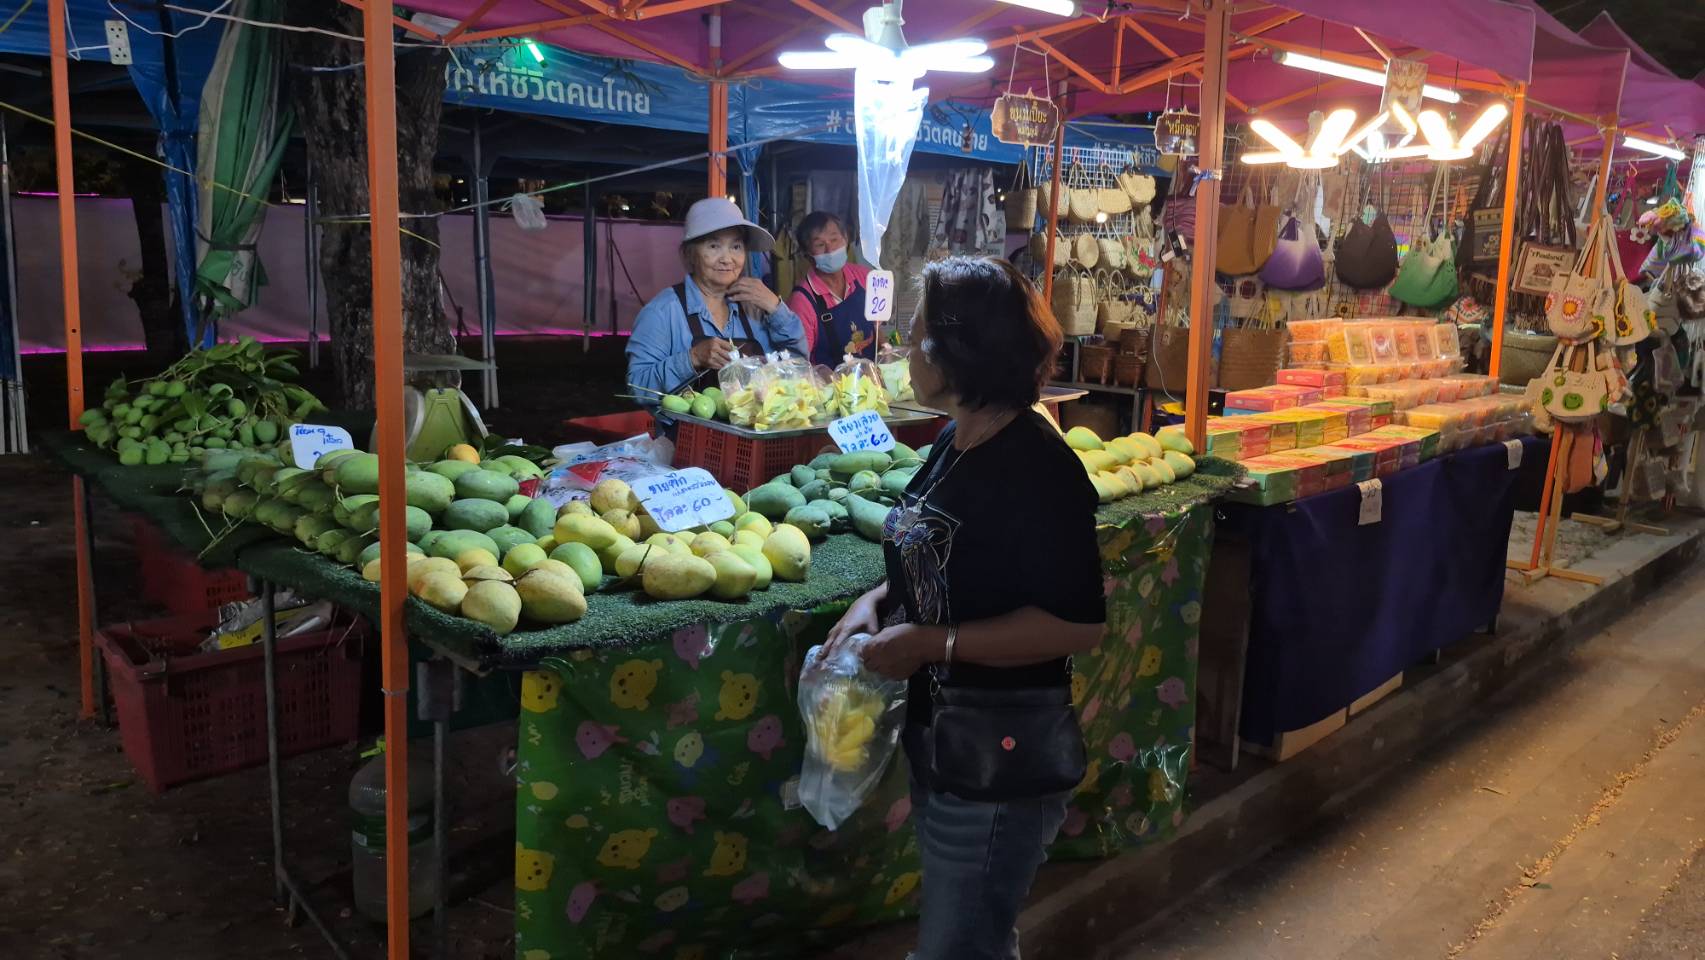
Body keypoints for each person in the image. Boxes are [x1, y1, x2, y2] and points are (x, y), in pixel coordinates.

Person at [824, 256, 1106, 960]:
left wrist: (929, 644)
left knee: (960, 944)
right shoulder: (957, 438)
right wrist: (877, 600)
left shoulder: (1039, 468)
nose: (904, 351)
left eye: (916, 338)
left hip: (1000, 753)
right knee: (971, 933)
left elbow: (1078, 624)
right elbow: (937, 548)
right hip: (945, 740)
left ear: (960, 353)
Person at [626, 197, 805, 421]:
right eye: (714, 246)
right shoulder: (662, 311)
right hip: (685, 445)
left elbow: (797, 367)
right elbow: (636, 387)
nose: (727, 258)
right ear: (690, 254)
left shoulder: (755, 306)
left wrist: (776, 308)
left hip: (752, 443)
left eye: (736, 246)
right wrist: (692, 359)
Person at [785, 211, 876, 365]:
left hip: (873, 382)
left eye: (834, 239)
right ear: (807, 254)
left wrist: (887, 352)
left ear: (846, 239)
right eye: (820, 245)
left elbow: (878, 330)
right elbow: (800, 365)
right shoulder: (801, 302)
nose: (830, 249)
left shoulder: (866, 277)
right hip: (829, 386)